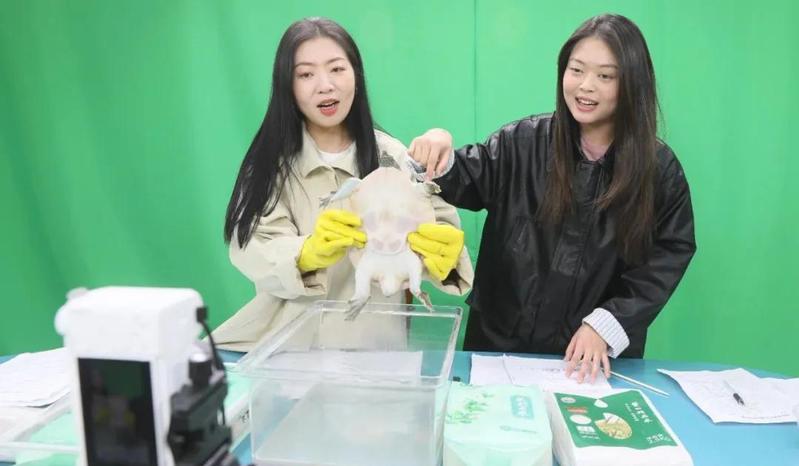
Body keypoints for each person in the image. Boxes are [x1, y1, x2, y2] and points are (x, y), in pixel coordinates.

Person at [409, 14, 695, 382]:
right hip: (498, 348)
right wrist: (437, 147)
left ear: (632, 83)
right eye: (576, 70)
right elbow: (463, 177)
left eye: (605, 76)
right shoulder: (521, 142)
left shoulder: (659, 169)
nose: (586, 86)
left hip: (587, 363)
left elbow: (670, 252)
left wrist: (608, 323)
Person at [213, 17, 473, 352]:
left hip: (376, 351)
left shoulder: (393, 156)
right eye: (306, 74)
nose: (325, 85)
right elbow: (252, 249)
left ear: (356, 76)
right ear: (287, 86)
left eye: (337, 69)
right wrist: (306, 253)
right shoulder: (268, 165)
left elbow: (442, 236)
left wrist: (445, 257)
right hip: (291, 350)